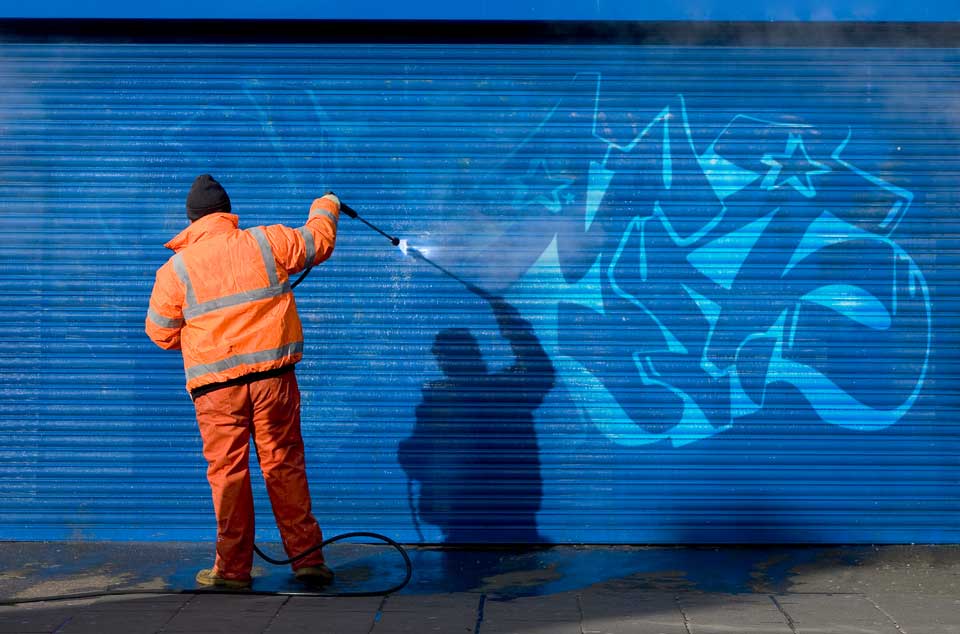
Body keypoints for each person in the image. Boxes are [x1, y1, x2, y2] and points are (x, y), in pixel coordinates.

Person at [145, 174, 339, 589]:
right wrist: (327, 204)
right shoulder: (265, 242)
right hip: (274, 381)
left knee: (228, 473)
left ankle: (232, 572)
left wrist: (207, 339)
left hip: (216, 390)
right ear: (226, 212)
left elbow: (160, 332)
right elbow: (317, 242)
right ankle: (307, 561)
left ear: (192, 219)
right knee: (284, 464)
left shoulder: (176, 269)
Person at [399, 298, 555, 545]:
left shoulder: (498, 389)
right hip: (479, 516)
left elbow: (539, 372)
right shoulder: (496, 390)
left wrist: (514, 326)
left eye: (444, 354)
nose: (441, 362)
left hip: (491, 517)